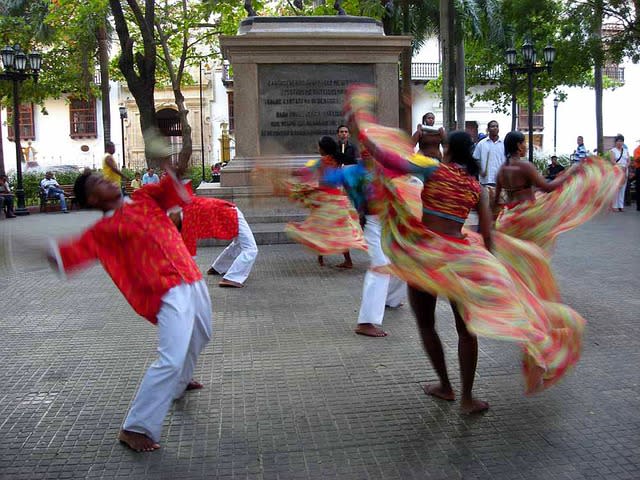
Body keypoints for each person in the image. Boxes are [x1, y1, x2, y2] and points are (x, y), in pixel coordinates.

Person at [346, 84, 589, 409]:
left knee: (426, 324)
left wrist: (361, 123)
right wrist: (490, 270)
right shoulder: (476, 187)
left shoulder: (432, 169)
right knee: (466, 330)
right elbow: (488, 237)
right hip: (460, 258)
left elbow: (386, 156)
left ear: (446, 149)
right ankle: (468, 396)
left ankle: (445, 385)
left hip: (426, 256)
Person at [47, 170, 211, 452]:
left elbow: (173, 188)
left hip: (191, 277)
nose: (108, 180)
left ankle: (179, 383)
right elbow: (70, 254)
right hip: (166, 290)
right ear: (93, 198)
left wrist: (172, 165)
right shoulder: (104, 230)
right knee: (170, 358)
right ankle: (136, 427)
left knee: (201, 335)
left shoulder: (145, 199)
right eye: (99, 181)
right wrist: (39, 250)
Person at [322, 149, 406, 338]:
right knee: (380, 267)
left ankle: (391, 299)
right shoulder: (352, 172)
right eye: (364, 148)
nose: (367, 152)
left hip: (390, 222)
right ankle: (366, 322)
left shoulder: (385, 169)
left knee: (402, 261)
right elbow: (326, 178)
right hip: (373, 224)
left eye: (371, 148)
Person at [283, 136, 366, 268]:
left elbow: (305, 170)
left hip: (326, 200)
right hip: (339, 199)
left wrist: (290, 172)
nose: (318, 149)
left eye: (319, 147)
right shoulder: (338, 159)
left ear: (323, 149)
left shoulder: (321, 162)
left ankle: (322, 257)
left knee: (319, 227)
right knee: (340, 230)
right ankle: (345, 260)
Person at [172, 192, 258, 288]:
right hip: (230, 212)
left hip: (229, 213)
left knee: (242, 245)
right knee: (250, 248)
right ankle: (232, 278)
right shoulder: (185, 207)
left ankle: (218, 267)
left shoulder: (185, 217)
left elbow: (188, 252)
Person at [473, 120, 505, 188]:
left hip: (501, 180)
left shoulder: (504, 143)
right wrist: (481, 170)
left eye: (497, 126)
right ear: (488, 129)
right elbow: (475, 159)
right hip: (486, 180)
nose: (495, 128)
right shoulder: (481, 144)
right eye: (493, 126)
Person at [609, 134, 631, 212]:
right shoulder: (612, 151)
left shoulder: (625, 150)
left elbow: (628, 160)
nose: (620, 142)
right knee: (616, 188)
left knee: (623, 188)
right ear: (615, 142)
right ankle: (614, 205)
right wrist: (620, 167)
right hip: (617, 170)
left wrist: (626, 166)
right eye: (618, 141)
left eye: (621, 141)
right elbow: (612, 161)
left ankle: (620, 205)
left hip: (625, 170)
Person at [633, 140, 640, 211]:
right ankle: (639, 206)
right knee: (639, 188)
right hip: (639, 169)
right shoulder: (637, 150)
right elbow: (637, 159)